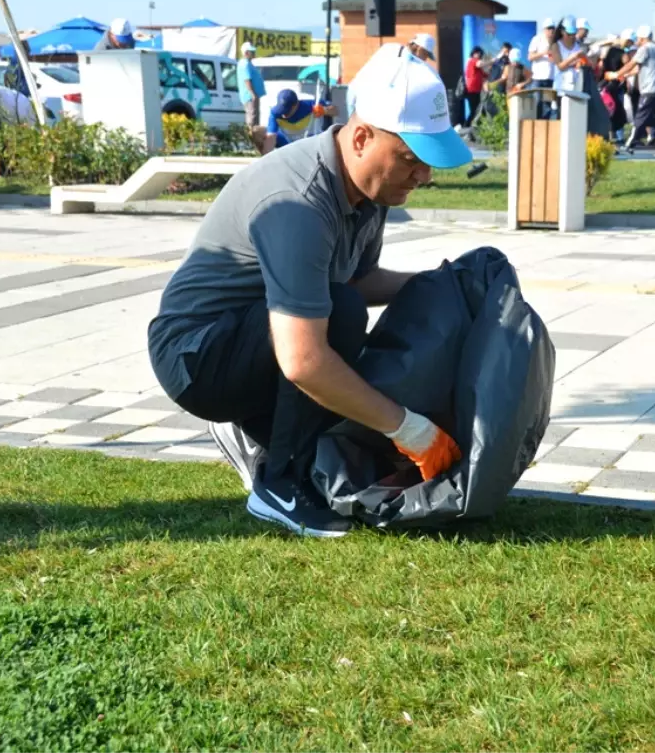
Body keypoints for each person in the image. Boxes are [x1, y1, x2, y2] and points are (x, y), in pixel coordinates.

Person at [147, 48, 472, 537]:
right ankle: (277, 486)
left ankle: (260, 430)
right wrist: (412, 431)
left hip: (252, 337)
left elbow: (360, 279)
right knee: (338, 313)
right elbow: (303, 360)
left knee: (342, 305)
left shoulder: (370, 189)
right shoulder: (296, 201)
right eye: (411, 159)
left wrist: (440, 283)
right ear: (361, 137)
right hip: (197, 358)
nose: (424, 176)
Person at [612, 24, 655, 157]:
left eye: (638, 38)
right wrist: (626, 75)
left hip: (650, 90)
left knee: (640, 116)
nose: (637, 41)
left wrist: (616, 74)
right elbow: (641, 68)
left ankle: (629, 145)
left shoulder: (644, 49)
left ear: (643, 38)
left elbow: (631, 64)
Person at [527, 18, 557, 118]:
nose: (551, 31)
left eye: (553, 28)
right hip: (538, 78)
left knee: (547, 106)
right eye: (549, 28)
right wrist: (543, 53)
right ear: (544, 29)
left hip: (550, 79)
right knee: (537, 104)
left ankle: (545, 128)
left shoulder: (555, 42)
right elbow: (530, 57)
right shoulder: (537, 39)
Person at [238, 42, 266, 128]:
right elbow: (247, 80)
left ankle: (254, 136)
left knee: (254, 117)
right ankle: (251, 136)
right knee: (252, 117)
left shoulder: (247, 63)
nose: (254, 53)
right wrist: (253, 94)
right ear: (246, 52)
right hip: (250, 96)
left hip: (252, 95)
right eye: (251, 51)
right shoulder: (245, 64)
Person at [462, 46, 487, 126]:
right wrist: (493, 60)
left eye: (480, 54)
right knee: (474, 110)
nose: (479, 55)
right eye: (477, 53)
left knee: (478, 110)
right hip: (471, 91)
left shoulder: (478, 67)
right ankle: (466, 126)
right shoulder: (472, 61)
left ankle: (477, 126)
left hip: (477, 91)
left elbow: (485, 75)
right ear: (473, 53)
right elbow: (480, 64)